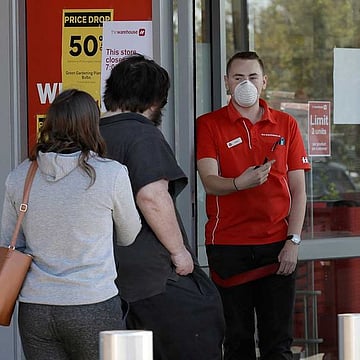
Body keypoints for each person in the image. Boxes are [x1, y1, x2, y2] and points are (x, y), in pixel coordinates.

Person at [0, 89, 141, 360]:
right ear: (91, 124)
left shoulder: (20, 176)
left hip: (36, 308)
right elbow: (129, 234)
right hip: (93, 303)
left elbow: (11, 241)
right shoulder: (111, 174)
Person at [100, 54, 225, 360]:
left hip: (105, 281)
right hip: (152, 279)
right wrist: (180, 253)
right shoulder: (142, 134)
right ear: (156, 102)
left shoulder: (90, 133)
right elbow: (152, 196)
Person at [196, 51, 311, 360]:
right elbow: (208, 179)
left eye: (252, 77)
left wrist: (294, 240)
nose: (245, 84)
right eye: (237, 78)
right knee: (237, 343)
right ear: (226, 83)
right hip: (228, 246)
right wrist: (237, 183)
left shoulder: (285, 124)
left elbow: (299, 189)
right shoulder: (208, 125)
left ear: (264, 82)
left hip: (277, 246)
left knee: (278, 344)